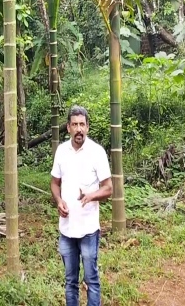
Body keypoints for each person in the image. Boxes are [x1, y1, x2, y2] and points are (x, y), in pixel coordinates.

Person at [51, 105, 113, 306]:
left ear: (87, 127)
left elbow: (108, 188)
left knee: (91, 280)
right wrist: (59, 201)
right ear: (68, 127)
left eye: (82, 125)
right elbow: (54, 183)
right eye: (75, 124)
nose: (79, 129)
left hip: (88, 229)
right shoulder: (61, 151)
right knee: (70, 281)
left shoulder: (97, 152)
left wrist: (91, 195)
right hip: (67, 229)